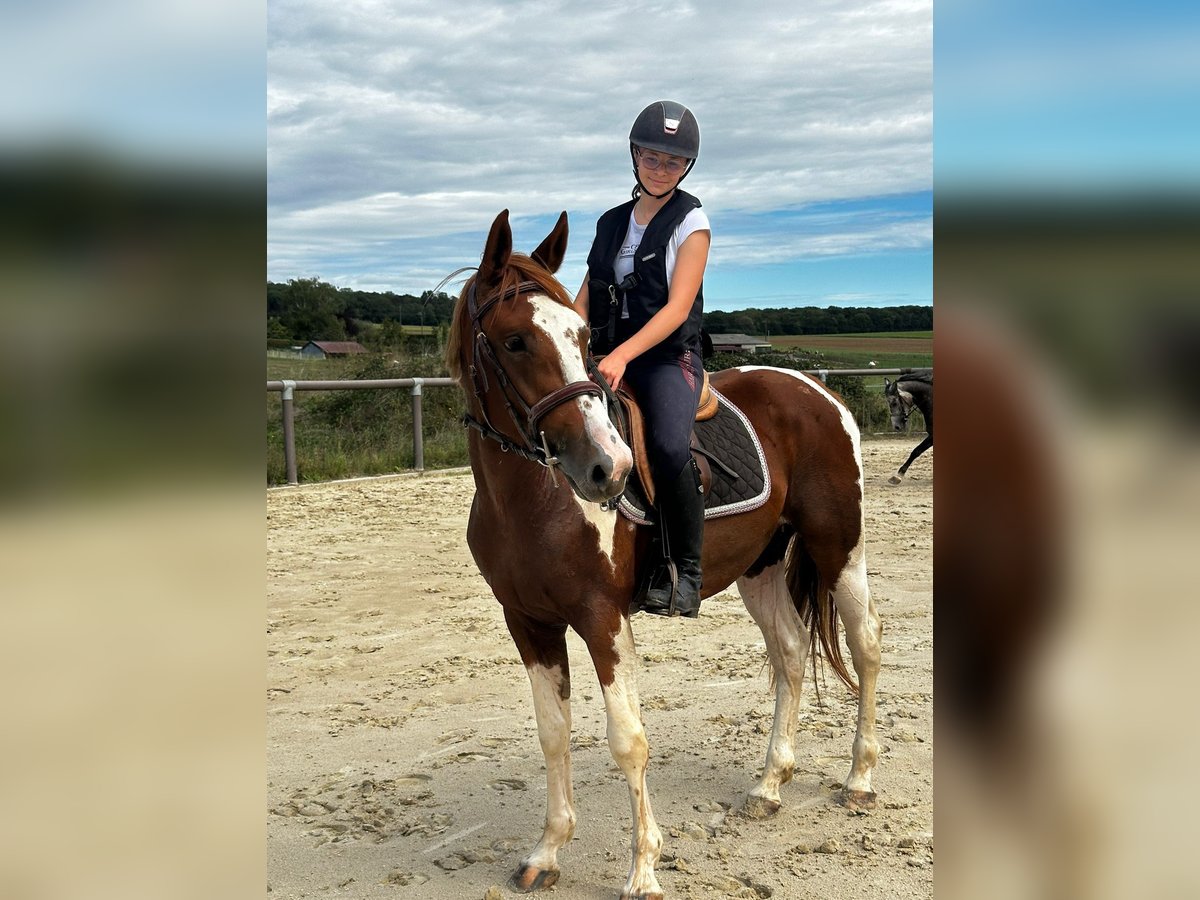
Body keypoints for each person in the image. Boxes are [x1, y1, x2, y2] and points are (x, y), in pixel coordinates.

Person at [572, 100, 711, 618]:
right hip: (605, 352)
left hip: (666, 357)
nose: (660, 169)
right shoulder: (610, 223)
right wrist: (571, 342)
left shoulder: (691, 222)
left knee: (670, 446)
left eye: (672, 162)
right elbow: (587, 295)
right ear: (634, 156)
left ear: (686, 167)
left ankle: (684, 571)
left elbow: (677, 308)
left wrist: (623, 355)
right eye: (651, 157)